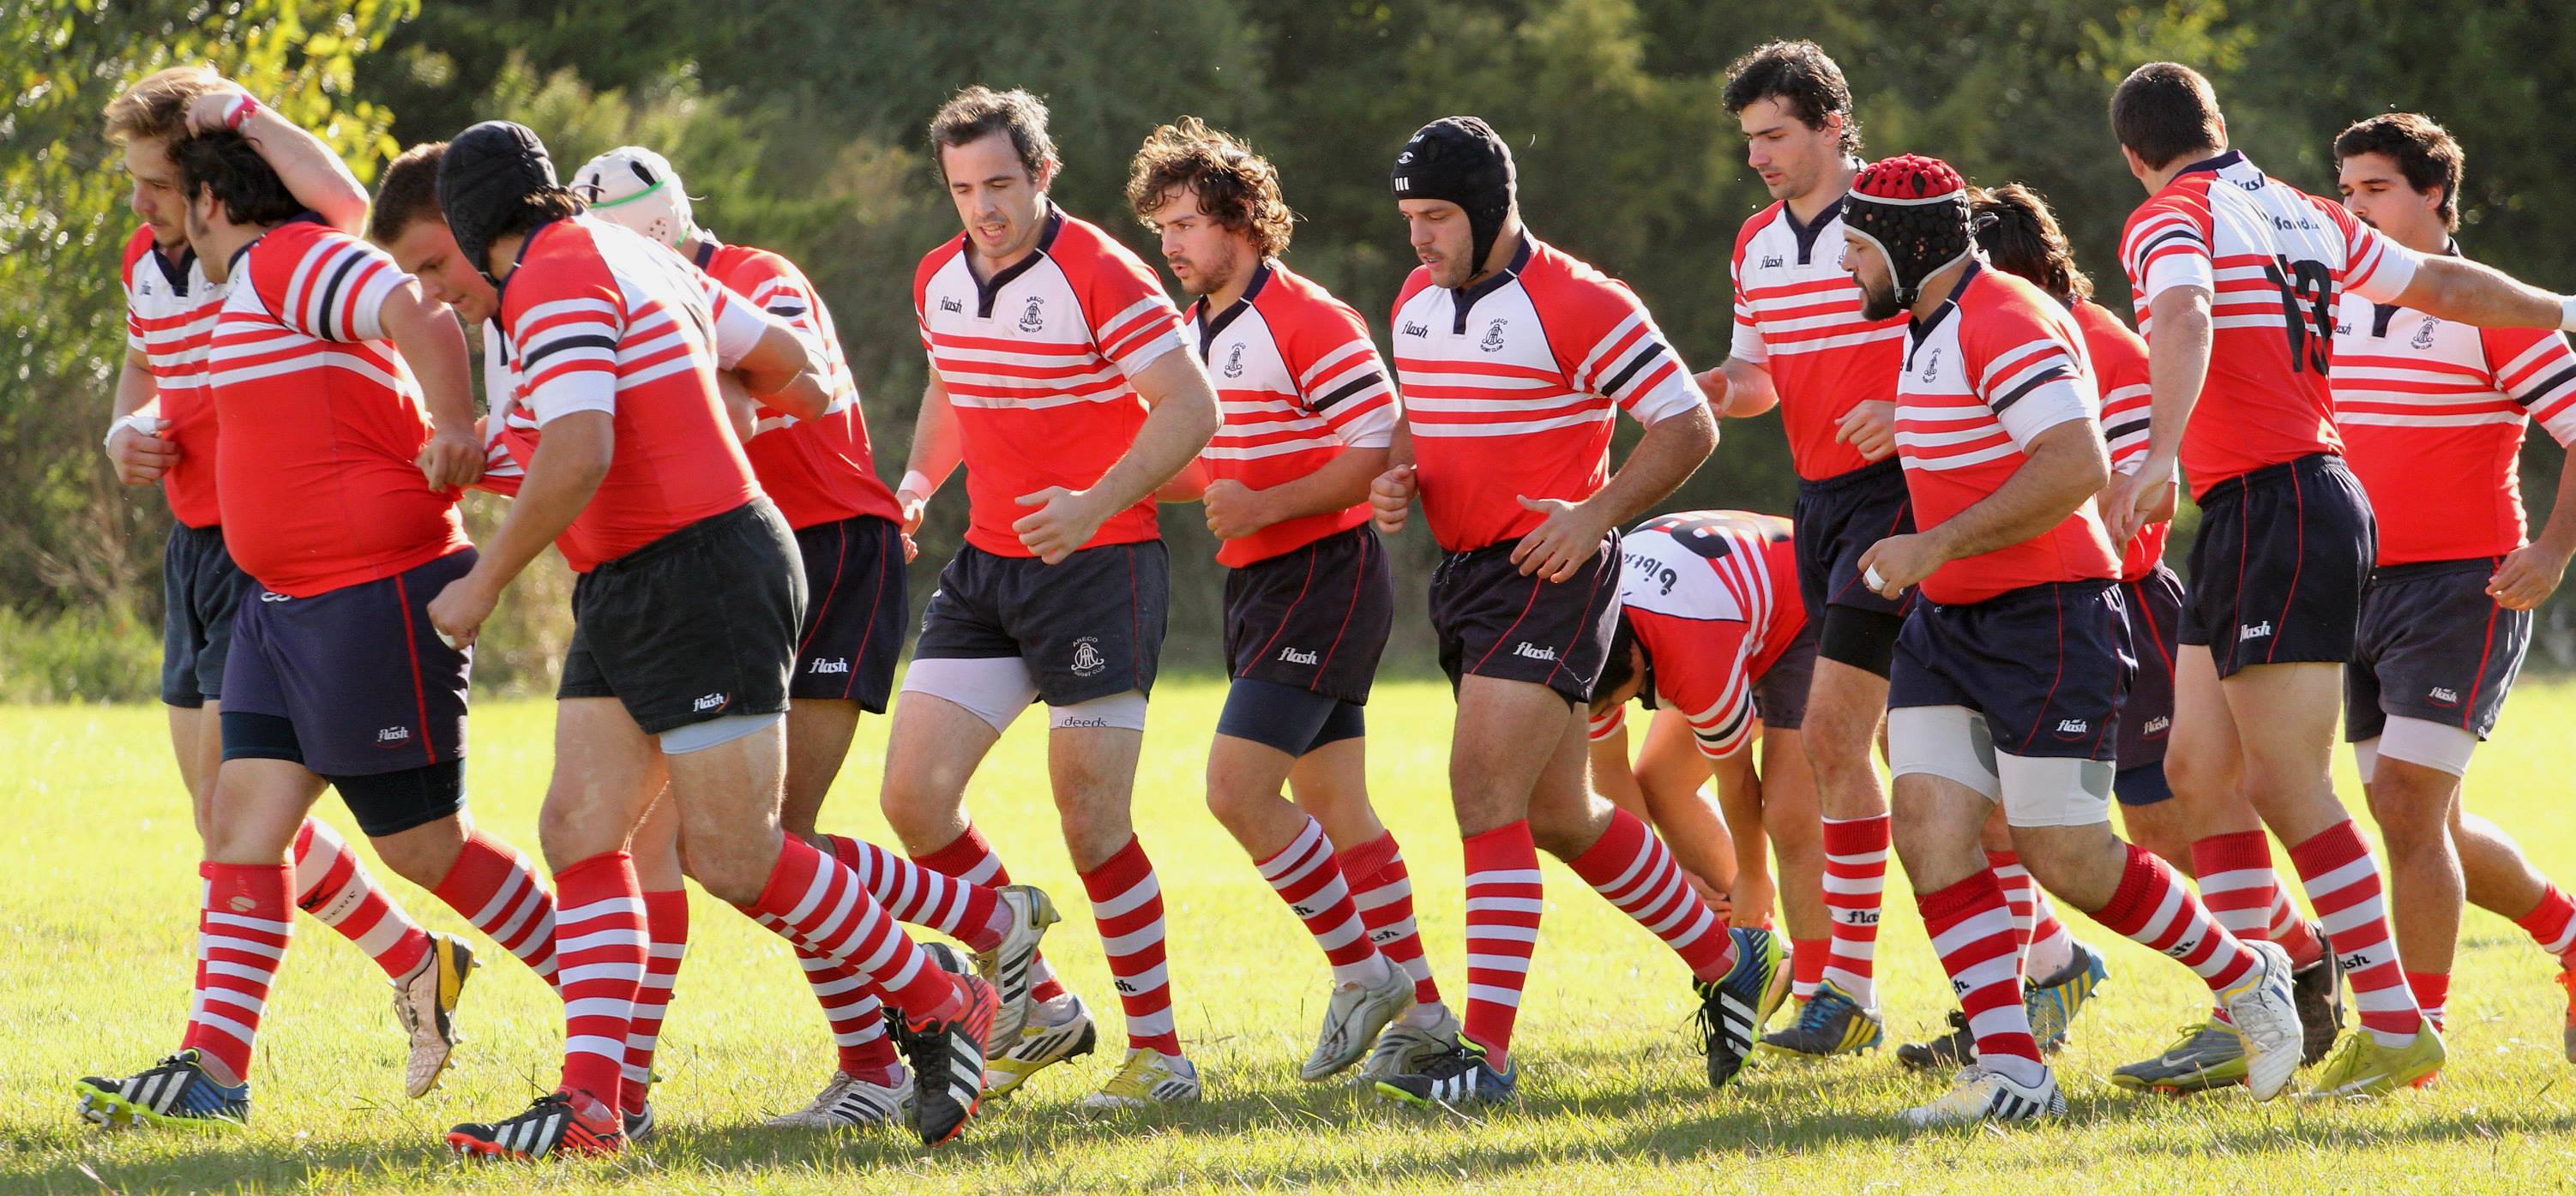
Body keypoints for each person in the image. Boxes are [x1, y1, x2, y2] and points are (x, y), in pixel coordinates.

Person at [423, 120, 1001, 1155]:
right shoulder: (635, 255)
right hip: (635, 576)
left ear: (475, 232)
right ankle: (594, 1106)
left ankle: (939, 995)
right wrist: (700, 403)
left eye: (435, 265)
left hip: (701, 572)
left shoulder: (550, 279)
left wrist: (483, 582)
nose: (434, 293)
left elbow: (581, 449)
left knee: (735, 854)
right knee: (579, 829)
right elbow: (797, 371)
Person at [72, 126, 571, 1129]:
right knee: (239, 828)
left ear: (213, 197)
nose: (147, 211)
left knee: (427, 851)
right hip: (279, 608)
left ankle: (614, 1005)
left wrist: (453, 423)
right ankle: (214, 1072)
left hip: (373, 595)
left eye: (164, 191)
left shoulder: (295, 255)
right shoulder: (246, 285)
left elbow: (422, 315)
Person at [2098, 63, 2576, 1097]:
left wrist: (2155, 453)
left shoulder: (2168, 215)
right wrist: (2564, 302)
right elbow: (2444, 285)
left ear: (2134, 154)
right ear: (2218, 124)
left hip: (2288, 504)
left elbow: (2180, 320)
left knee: (2289, 784)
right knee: (2197, 771)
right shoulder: (2300, 211)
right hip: (2255, 512)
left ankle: (2400, 1025)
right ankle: (2252, 1004)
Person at [570, 143, 1058, 1132]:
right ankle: (633, 1085)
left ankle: (903, 1031)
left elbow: (806, 391)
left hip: (831, 549)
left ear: (653, 235)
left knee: (762, 841)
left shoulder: (755, 277)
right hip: (725, 572)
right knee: (677, 841)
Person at [1838, 154, 2304, 1126]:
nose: (1844, 265)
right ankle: (2013, 1072)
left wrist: (1933, 543)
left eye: (1853, 246)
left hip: (2048, 616)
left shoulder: (2002, 318)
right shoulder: (1925, 329)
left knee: (2068, 854)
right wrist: (1932, 559)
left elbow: (2075, 464)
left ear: (1905, 244)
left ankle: (2247, 970)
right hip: (1950, 625)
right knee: (1926, 826)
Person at [1369, 115, 1783, 1105]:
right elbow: (1416, 417)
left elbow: (1685, 421)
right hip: (1466, 578)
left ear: (1487, 208)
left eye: (1435, 217)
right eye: (1408, 218)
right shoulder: (1416, 301)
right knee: (1561, 813)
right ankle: (1728, 959)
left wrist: (1594, 514)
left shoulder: (1581, 299)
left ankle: (1489, 1062)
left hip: (1551, 576)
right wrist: (1395, 477)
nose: (1419, 237)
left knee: (1482, 796)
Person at [884, 87, 1222, 1109]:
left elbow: (1191, 408)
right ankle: (1046, 1004)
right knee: (912, 797)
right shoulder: (938, 277)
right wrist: (912, 487)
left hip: (1099, 567)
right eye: (961, 189)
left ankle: (1160, 1056)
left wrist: (1095, 503)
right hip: (988, 568)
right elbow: (953, 386)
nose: (981, 208)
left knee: (1091, 826)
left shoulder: (1102, 276)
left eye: (998, 184)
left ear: (1041, 173)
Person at [1126, 117, 1454, 1084]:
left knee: (1234, 790)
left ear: (1243, 222)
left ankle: (1363, 973)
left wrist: (1260, 501)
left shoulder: (1309, 318)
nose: (1173, 246)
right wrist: (1121, 477)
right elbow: (1203, 467)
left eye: (1186, 223)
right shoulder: (1193, 333)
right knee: (1338, 809)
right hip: (1260, 583)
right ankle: (1427, 1015)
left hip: (1322, 576)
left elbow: (1377, 447)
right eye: (1161, 230)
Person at [2330, 113, 2576, 1061]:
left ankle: (2412, 1038)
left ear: (2434, 194)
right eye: (2346, 191)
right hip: (2353, 589)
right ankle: (2567, 934)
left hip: (2461, 591)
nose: (2356, 208)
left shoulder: (2491, 308)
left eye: (2376, 189)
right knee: (2422, 822)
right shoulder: (2336, 299)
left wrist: (2552, 551)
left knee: (2404, 807)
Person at [1708, 41, 1907, 1058]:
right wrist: (1694, 392)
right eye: (1749, 140)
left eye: (1775, 135)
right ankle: (2044, 961)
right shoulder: (1753, 246)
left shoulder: (1903, 212)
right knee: (1890, 750)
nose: (1759, 157)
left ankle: (1848, 990)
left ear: (1832, 126)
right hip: (1819, 506)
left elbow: (1981, 340)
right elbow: (1758, 382)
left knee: (1842, 740)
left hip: (1909, 498)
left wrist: (1904, 408)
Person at [1584, 510, 1824, 959]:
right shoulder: (1583, 639)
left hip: (1804, 604)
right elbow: (1610, 767)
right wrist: (1668, 877)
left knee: (1791, 811)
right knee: (1660, 782)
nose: (1618, 711)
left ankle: (1824, 986)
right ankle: (1765, 959)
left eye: (1620, 701)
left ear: (1636, 661)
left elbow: (1735, 778)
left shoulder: (1696, 664)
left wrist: (1753, 876)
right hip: (1724, 606)